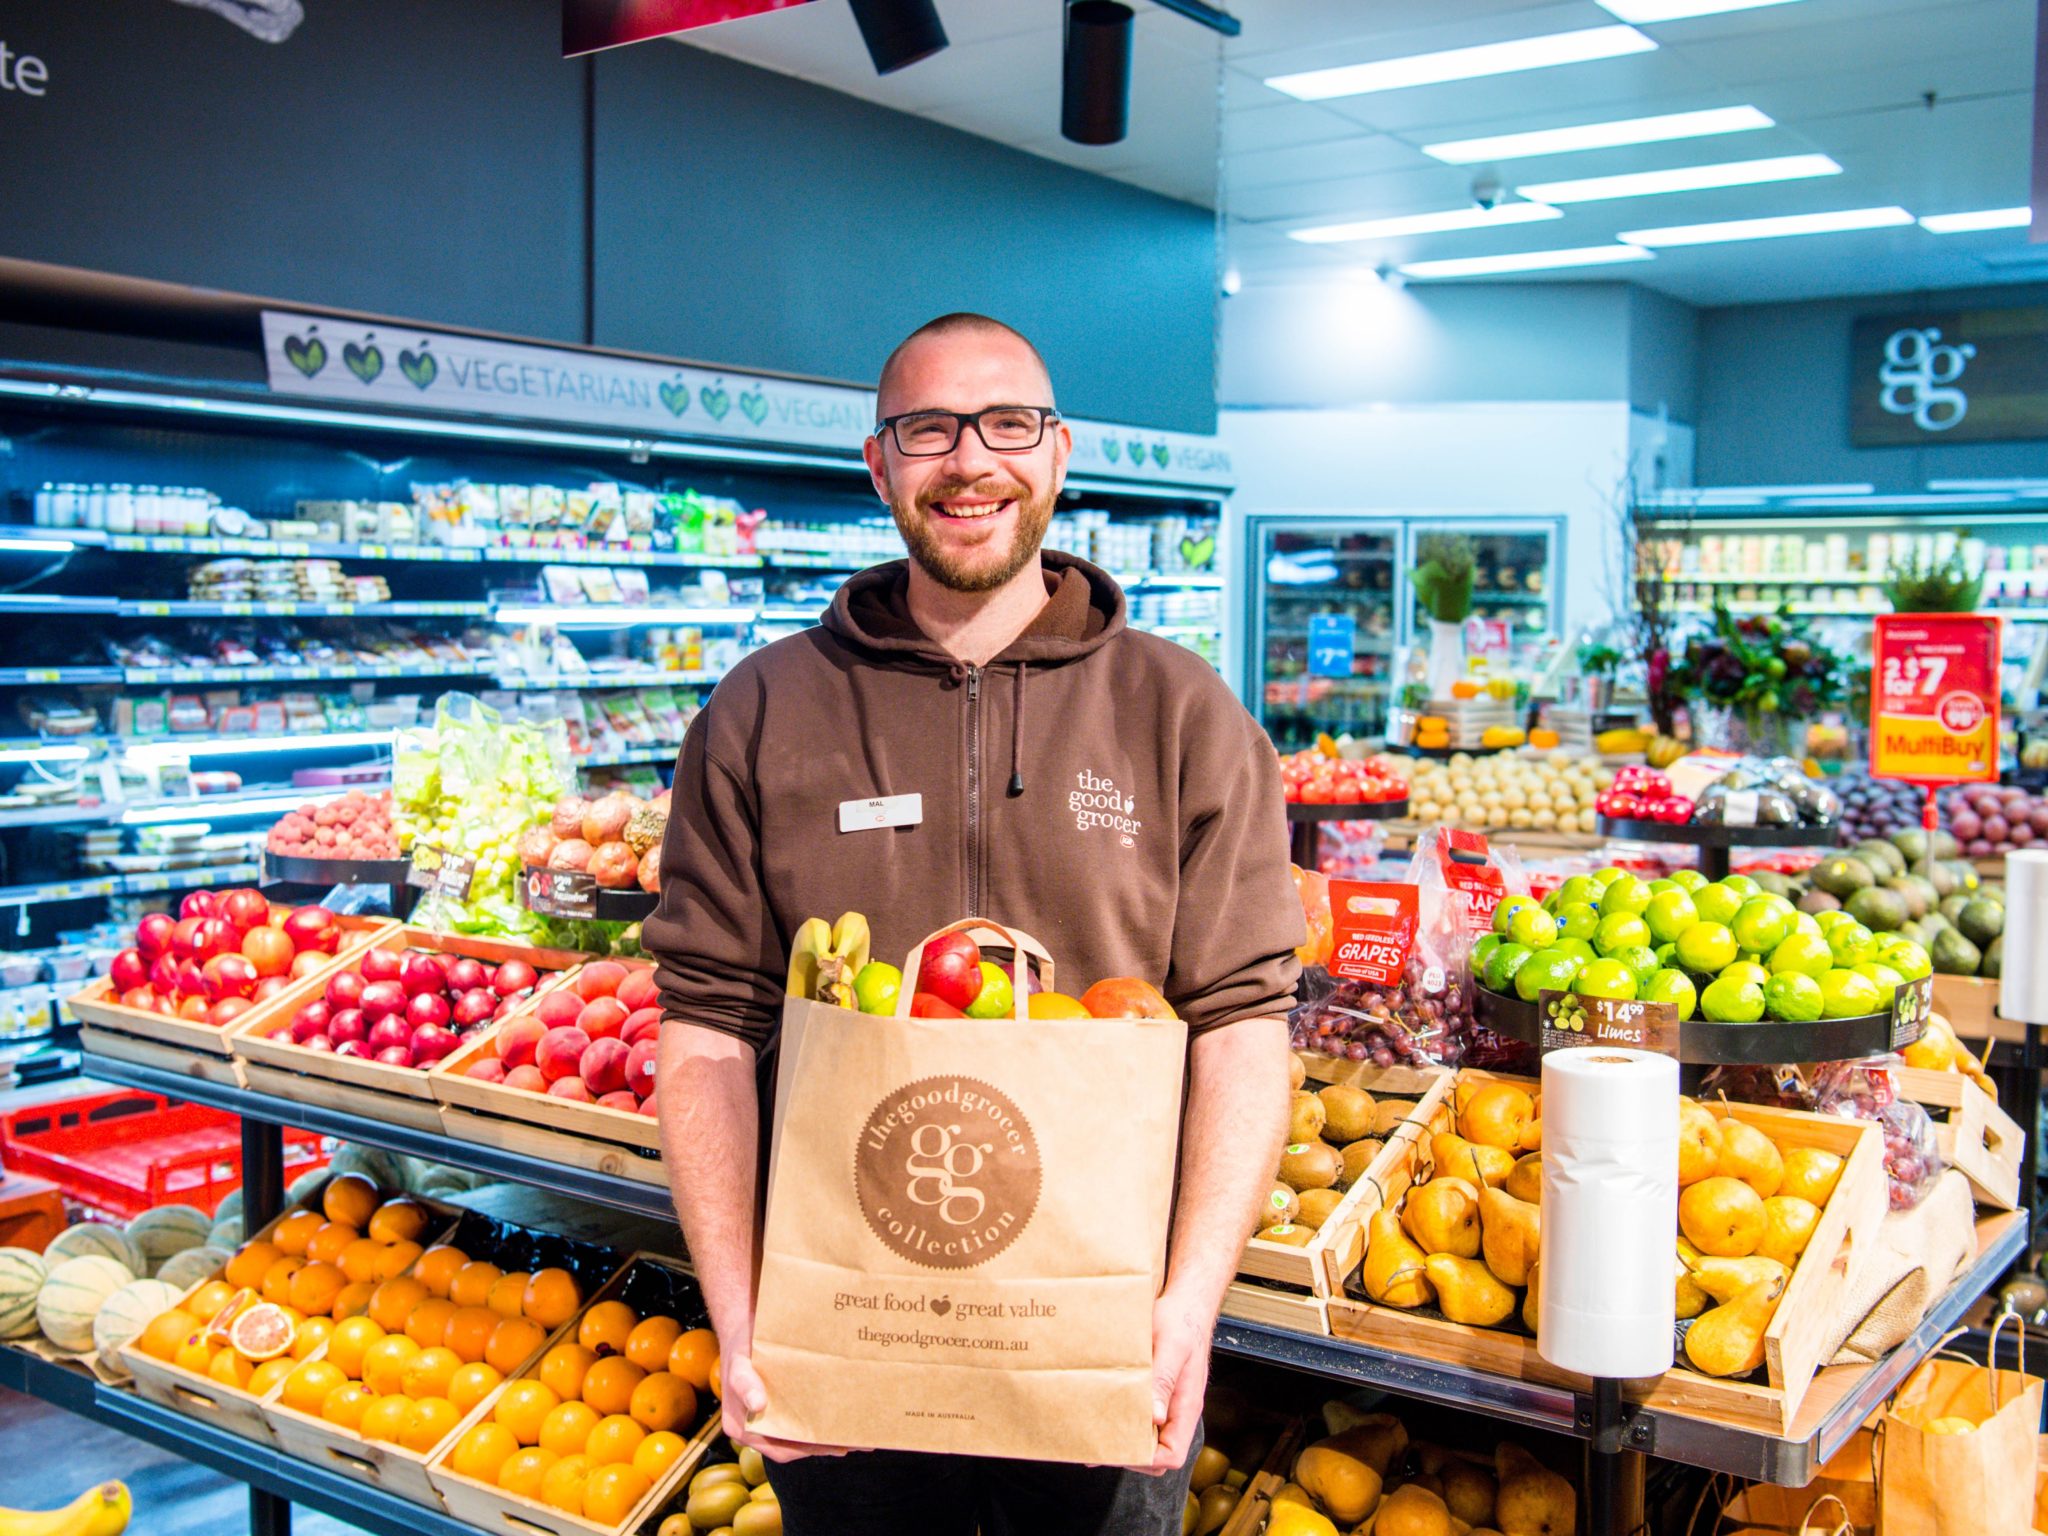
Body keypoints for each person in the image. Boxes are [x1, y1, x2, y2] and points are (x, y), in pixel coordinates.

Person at [645, 312, 1301, 1535]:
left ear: (1055, 455)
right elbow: (704, 1037)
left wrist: (1186, 1308)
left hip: (1097, 1342)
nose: (969, 460)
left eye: (1007, 424)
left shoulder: (1181, 715)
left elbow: (1243, 1025)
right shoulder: (762, 712)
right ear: (877, 462)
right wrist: (740, 1317)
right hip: (844, 1344)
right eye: (927, 428)